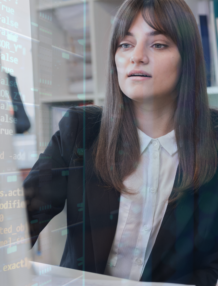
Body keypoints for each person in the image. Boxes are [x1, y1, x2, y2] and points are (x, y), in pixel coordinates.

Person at [24, 0, 218, 285]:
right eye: (125, 44)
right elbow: (16, 226)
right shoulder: (80, 131)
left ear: (187, 58)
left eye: (159, 44)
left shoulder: (213, 140)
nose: (136, 57)